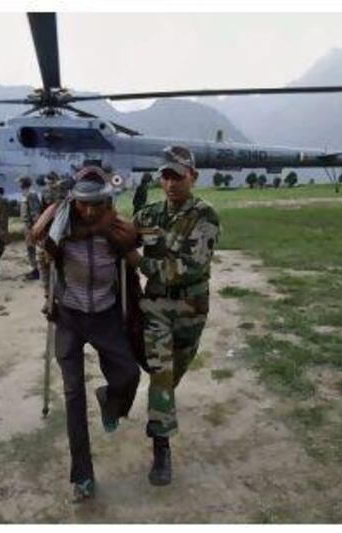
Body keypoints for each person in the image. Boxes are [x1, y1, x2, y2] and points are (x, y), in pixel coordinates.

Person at [31, 166, 141, 503]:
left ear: (106, 201)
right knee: (73, 395)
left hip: (106, 314)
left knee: (128, 374)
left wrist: (134, 253)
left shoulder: (116, 230)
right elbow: (44, 260)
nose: (89, 210)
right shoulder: (60, 229)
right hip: (70, 316)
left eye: (96, 203)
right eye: (83, 204)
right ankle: (83, 477)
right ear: (73, 201)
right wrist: (47, 297)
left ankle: (111, 402)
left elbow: (133, 263)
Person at [120, 145, 221, 486]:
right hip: (157, 308)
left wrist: (140, 262)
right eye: (165, 176)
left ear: (193, 176)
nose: (171, 182)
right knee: (161, 375)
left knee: (171, 375)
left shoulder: (205, 216)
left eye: (178, 176)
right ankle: (161, 448)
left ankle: (160, 403)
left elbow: (189, 268)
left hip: (191, 310)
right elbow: (124, 234)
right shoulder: (149, 215)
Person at [18, 176, 41, 281]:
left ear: (23, 183)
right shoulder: (25, 194)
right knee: (30, 248)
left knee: (32, 249)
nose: (18, 184)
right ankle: (34, 269)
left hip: (31, 227)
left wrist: (35, 228)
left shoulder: (31, 194)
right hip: (27, 226)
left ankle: (36, 271)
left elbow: (35, 212)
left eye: (20, 182)